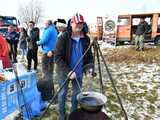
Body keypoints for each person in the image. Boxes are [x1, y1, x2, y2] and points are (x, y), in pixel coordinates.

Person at [55, 13, 93, 120]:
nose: (79, 26)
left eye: (81, 24)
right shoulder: (64, 37)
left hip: (79, 72)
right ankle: (62, 116)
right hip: (64, 72)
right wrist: (68, 71)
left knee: (77, 95)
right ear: (71, 23)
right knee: (62, 93)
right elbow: (57, 57)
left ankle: (73, 115)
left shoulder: (86, 39)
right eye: (77, 24)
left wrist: (89, 68)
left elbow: (89, 56)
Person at [37, 20, 58, 101]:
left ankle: (48, 94)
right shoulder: (54, 29)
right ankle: (51, 91)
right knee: (50, 72)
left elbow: (44, 40)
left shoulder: (48, 30)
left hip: (47, 53)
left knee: (46, 73)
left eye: (45, 24)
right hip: (52, 52)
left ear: (48, 24)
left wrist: (38, 42)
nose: (44, 25)